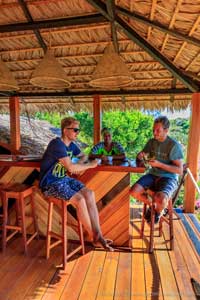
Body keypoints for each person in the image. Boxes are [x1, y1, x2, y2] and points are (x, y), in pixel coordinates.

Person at [39, 117, 114, 251]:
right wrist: (89, 165)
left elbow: (83, 156)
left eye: (78, 130)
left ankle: (99, 234)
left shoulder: (71, 145)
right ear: (65, 130)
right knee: (80, 200)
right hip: (50, 183)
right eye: (75, 130)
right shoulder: (57, 144)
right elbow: (71, 168)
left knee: (90, 194)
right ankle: (94, 237)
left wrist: (79, 164)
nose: (77, 132)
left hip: (63, 179)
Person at [130, 116, 183, 223]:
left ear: (166, 131)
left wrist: (159, 164)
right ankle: (155, 207)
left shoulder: (173, 145)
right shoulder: (151, 142)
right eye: (153, 130)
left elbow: (179, 170)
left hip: (169, 177)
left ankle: (158, 211)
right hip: (153, 174)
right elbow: (144, 157)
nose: (154, 133)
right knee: (133, 191)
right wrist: (140, 156)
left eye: (158, 130)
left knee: (162, 199)